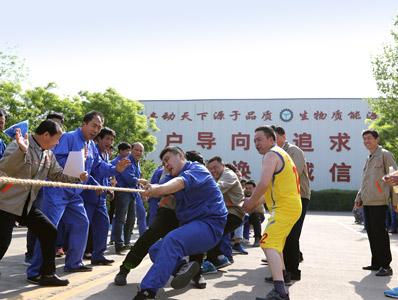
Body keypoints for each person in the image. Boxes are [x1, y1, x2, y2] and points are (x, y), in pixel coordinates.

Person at [27, 111, 130, 280]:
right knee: (48, 230)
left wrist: (115, 169)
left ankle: (74, 263)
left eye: (99, 127)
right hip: (57, 190)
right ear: (84, 124)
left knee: (82, 223)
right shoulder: (68, 138)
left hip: (75, 193)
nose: (96, 130)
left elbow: (98, 166)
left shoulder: (91, 146)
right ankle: (35, 271)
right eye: (93, 125)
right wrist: (73, 160)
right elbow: (52, 158)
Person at [132, 146, 227, 299]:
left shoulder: (198, 169)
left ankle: (147, 291)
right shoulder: (170, 177)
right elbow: (160, 189)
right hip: (191, 227)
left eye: (167, 159)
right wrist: (148, 189)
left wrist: (159, 188)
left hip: (210, 225)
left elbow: (180, 182)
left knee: (172, 240)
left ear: (181, 156)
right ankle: (184, 268)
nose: (166, 165)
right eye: (163, 163)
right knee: (155, 249)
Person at [0, 121, 88, 286]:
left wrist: (78, 176)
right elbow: (5, 169)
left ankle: (47, 274)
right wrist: (21, 150)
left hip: (27, 205)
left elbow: (58, 175)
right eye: (57, 139)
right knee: (2, 242)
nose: (57, 143)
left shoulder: (48, 154)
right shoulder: (20, 144)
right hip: (6, 202)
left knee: (49, 231)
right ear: (46, 135)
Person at [114, 150, 208, 290]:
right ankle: (125, 269)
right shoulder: (171, 169)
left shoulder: (202, 174)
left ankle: (196, 273)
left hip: (190, 215)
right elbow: (162, 186)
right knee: (149, 237)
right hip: (169, 212)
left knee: (197, 240)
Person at [243, 125, 301, 300]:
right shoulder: (281, 154)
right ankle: (283, 279)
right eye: (254, 141)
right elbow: (269, 190)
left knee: (267, 243)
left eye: (259, 139)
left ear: (271, 139)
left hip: (285, 208)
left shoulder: (271, 155)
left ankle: (280, 292)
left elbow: (263, 184)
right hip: (287, 206)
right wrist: (252, 204)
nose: (256, 143)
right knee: (276, 246)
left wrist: (250, 202)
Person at [355, 129, 397, 276]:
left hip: (379, 201)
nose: (367, 141)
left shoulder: (384, 155)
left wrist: (395, 201)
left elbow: (395, 177)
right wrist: (359, 197)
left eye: (369, 138)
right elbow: (366, 181)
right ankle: (376, 263)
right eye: (364, 139)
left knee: (380, 234)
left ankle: (386, 266)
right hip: (368, 201)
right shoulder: (370, 157)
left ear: (377, 139)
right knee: (372, 233)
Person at [272, 125, 311, 282]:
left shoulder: (293, 151)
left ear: (282, 136)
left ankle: (293, 271)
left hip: (298, 196)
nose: (272, 141)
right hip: (285, 198)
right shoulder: (276, 153)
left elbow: (294, 172)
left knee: (292, 234)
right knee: (284, 234)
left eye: (274, 137)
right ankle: (283, 270)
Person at [81, 127, 116, 265]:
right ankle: (77, 257)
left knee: (103, 225)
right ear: (99, 139)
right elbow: (85, 171)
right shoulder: (91, 151)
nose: (110, 142)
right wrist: (95, 184)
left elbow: (105, 173)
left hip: (101, 199)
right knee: (83, 227)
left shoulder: (106, 155)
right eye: (107, 138)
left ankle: (98, 255)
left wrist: (108, 188)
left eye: (112, 139)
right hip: (88, 196)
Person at [204, 156, 244, 270]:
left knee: (211, 231)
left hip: (234, 213)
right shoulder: (216, 176)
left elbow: (216, 189)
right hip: (225, 213)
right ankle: (220, 258)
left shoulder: (228, 174)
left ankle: (212, 262)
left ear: (223, 165)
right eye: (210, 169)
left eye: (215, 167)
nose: (213, 171)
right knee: (214, 233)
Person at [111, 142, 146, 253]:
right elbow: (128, 178)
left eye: (141, 151)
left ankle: (127, 242)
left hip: (133, 193)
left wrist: (140, 187)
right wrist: (139, 181)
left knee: (131, 219)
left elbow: (135, 179)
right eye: (136, 150)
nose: (138, 152)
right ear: (131, 150)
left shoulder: (137, 162)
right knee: (121, 218)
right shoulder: (127, 160)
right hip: (123, 192)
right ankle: (119, 244)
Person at [243, 180, 265, 247]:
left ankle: (257, 238)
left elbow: (254, 208)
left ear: (254, 188)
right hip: (245, 215)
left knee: (255, 216)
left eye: (250, 188)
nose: (248, 190)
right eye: (246, 188)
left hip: (257, 215)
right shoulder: (241, 194)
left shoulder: (258, 195)